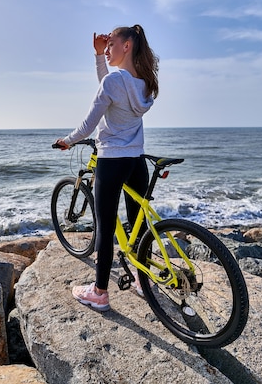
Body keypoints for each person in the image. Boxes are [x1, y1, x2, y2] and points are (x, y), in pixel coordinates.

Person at [55, 24, 159, 311]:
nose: (108, 48)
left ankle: (100, 292)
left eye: (112, 44)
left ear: (127, 46)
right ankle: (141, 278)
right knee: (138, 225)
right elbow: (109, 87)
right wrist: (100, 56)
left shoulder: (115, 83)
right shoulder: (143, 84)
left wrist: (67, 140)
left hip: (112, 161)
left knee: (105, 226)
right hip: (136, 161)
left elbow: (90, 122)